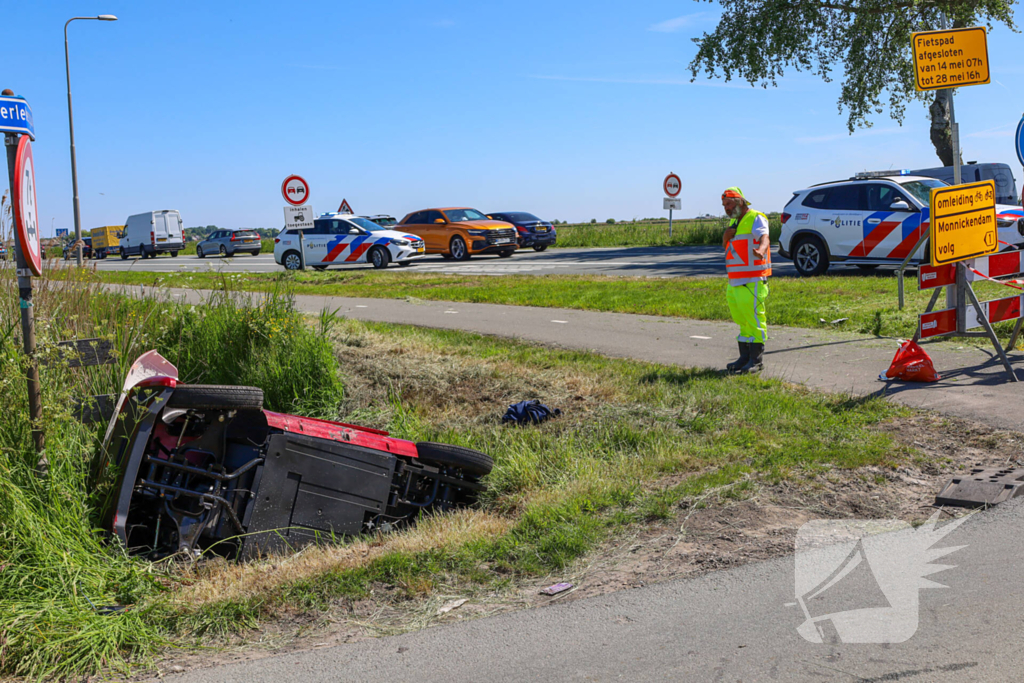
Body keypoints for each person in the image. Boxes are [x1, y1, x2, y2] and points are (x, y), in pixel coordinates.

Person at [721, 187, 770, 373]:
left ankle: (756, 361)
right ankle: (745, 357)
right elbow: (729, 248)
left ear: (740, 201)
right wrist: (725, 238)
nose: (726, 208)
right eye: (724, 205)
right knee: (742, 319)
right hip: (735, 280)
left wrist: (761, 250)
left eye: (729, 203)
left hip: (752, 279)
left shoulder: (756, 217)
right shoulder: (734, 223)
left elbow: (764, 237)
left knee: (754, 318)